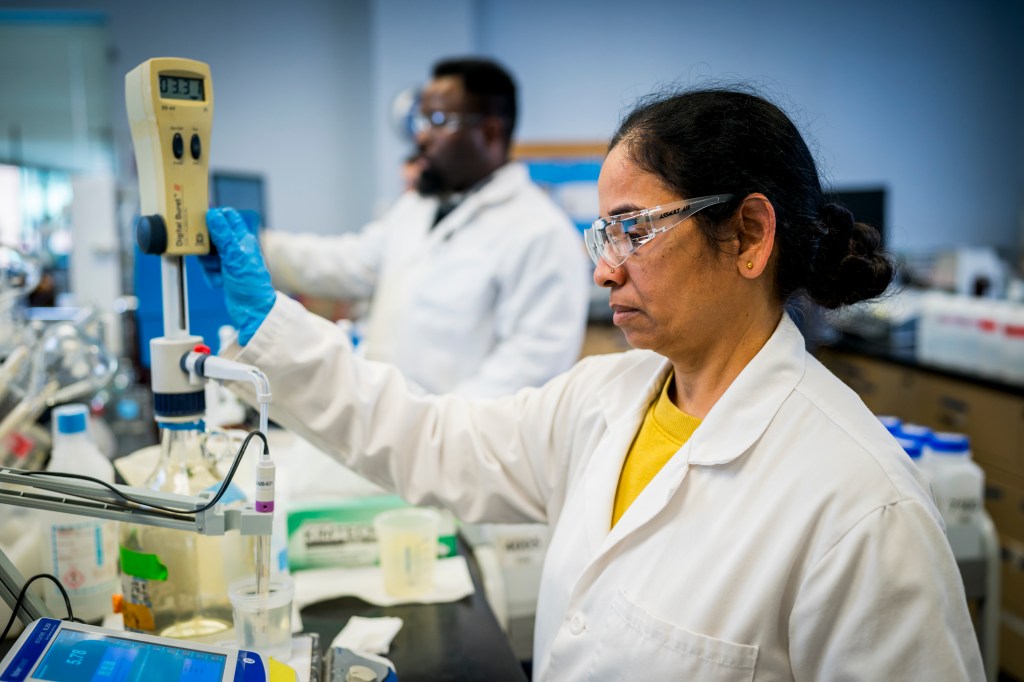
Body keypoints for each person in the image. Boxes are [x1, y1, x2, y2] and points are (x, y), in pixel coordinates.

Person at [205, 86, 983, 680]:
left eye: (634, 229)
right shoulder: (603, 399)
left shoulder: (863, 509)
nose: (605, 267)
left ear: (748, 235)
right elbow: (429, 438)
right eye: (603, 232)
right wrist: (278, 328)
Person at [237, 57, 590, 398]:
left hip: (460, 448)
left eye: (437, 120)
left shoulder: (542, 233)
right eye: (421, 120)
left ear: (490, 131)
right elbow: (349, 262)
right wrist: (253, 246)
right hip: (389, 432)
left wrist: (426, 433)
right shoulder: (417, 207)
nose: (420, 139)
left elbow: (527, 374)